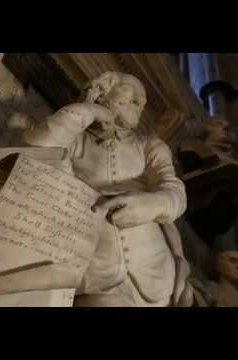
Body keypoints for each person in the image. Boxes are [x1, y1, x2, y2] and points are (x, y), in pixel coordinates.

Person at [23, 71, 193, 307]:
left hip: (153, 267)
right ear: (103, 90)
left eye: (141, 101)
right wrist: (90, 110)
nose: (140, 103)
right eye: (132, 93)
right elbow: (36, 150)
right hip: (94, 263)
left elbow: (174, 191)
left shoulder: (149, 145)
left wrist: (149, 205)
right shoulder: (75, 140)